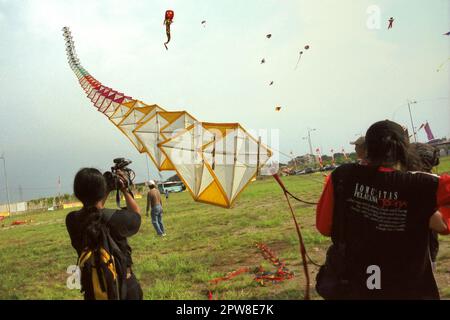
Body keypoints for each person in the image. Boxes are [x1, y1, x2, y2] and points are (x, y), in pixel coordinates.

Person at [316, 120, 450, 299]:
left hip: (355, 286)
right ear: (404, 149)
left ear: (367, 148)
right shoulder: (426, 184)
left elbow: (324, 227)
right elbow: (444, 226)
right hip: (408, 287)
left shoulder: (342, 176)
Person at [66, 168, 143, 300]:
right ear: (101, 191)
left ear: (77, 193)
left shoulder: (72, 220)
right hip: (123, 287)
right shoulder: (116, 219)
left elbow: (93, 212)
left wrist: (104, 191)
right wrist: (124, 189)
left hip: (93, 290)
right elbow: (136, 215)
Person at [409, 143, 443, 271]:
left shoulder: (428, 184)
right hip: (427, 247)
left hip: (423, 248)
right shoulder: (433, 182)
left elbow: (441, 224)